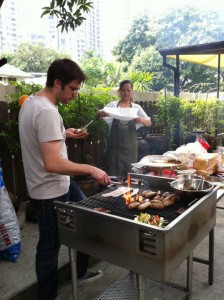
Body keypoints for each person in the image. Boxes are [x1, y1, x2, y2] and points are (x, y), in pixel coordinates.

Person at [18, 58, 111, 300]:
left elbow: (41, 141)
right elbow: (53, 163)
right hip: (49, 192)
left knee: (84, 220)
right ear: (57, 83)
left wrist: (64, 134)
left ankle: (79, 271)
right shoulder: (48, 112)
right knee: (49, 249)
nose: (75, 95)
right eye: (73, 89)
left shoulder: (30, 102)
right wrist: (90, 169)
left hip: (58, 185)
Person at [96, 79, 151, 178]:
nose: (126, 93)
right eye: (123, 90)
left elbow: (149, 122)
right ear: (119, 91)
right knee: (113, 175)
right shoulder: (113, 106)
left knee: (129, 176)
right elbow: (98, 116)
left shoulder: (136, 108)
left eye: (128, 90)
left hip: (130, 149)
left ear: (132, 92)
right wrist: (100, 113)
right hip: (113, 149)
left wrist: (141, 119)